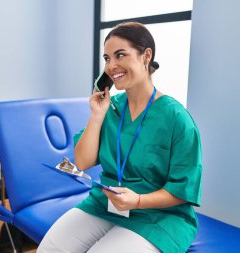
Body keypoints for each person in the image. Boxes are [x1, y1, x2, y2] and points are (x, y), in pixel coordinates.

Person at [37, 22, 202, 253]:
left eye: (120, 55)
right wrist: (97, 115)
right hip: (106, 204)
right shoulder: (111, 108)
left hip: (159, 216)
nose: (111, 66)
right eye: (107, 58)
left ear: (146, 56)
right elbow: (82, 163)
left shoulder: (176, 118)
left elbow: (182, 190)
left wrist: (138, 201)